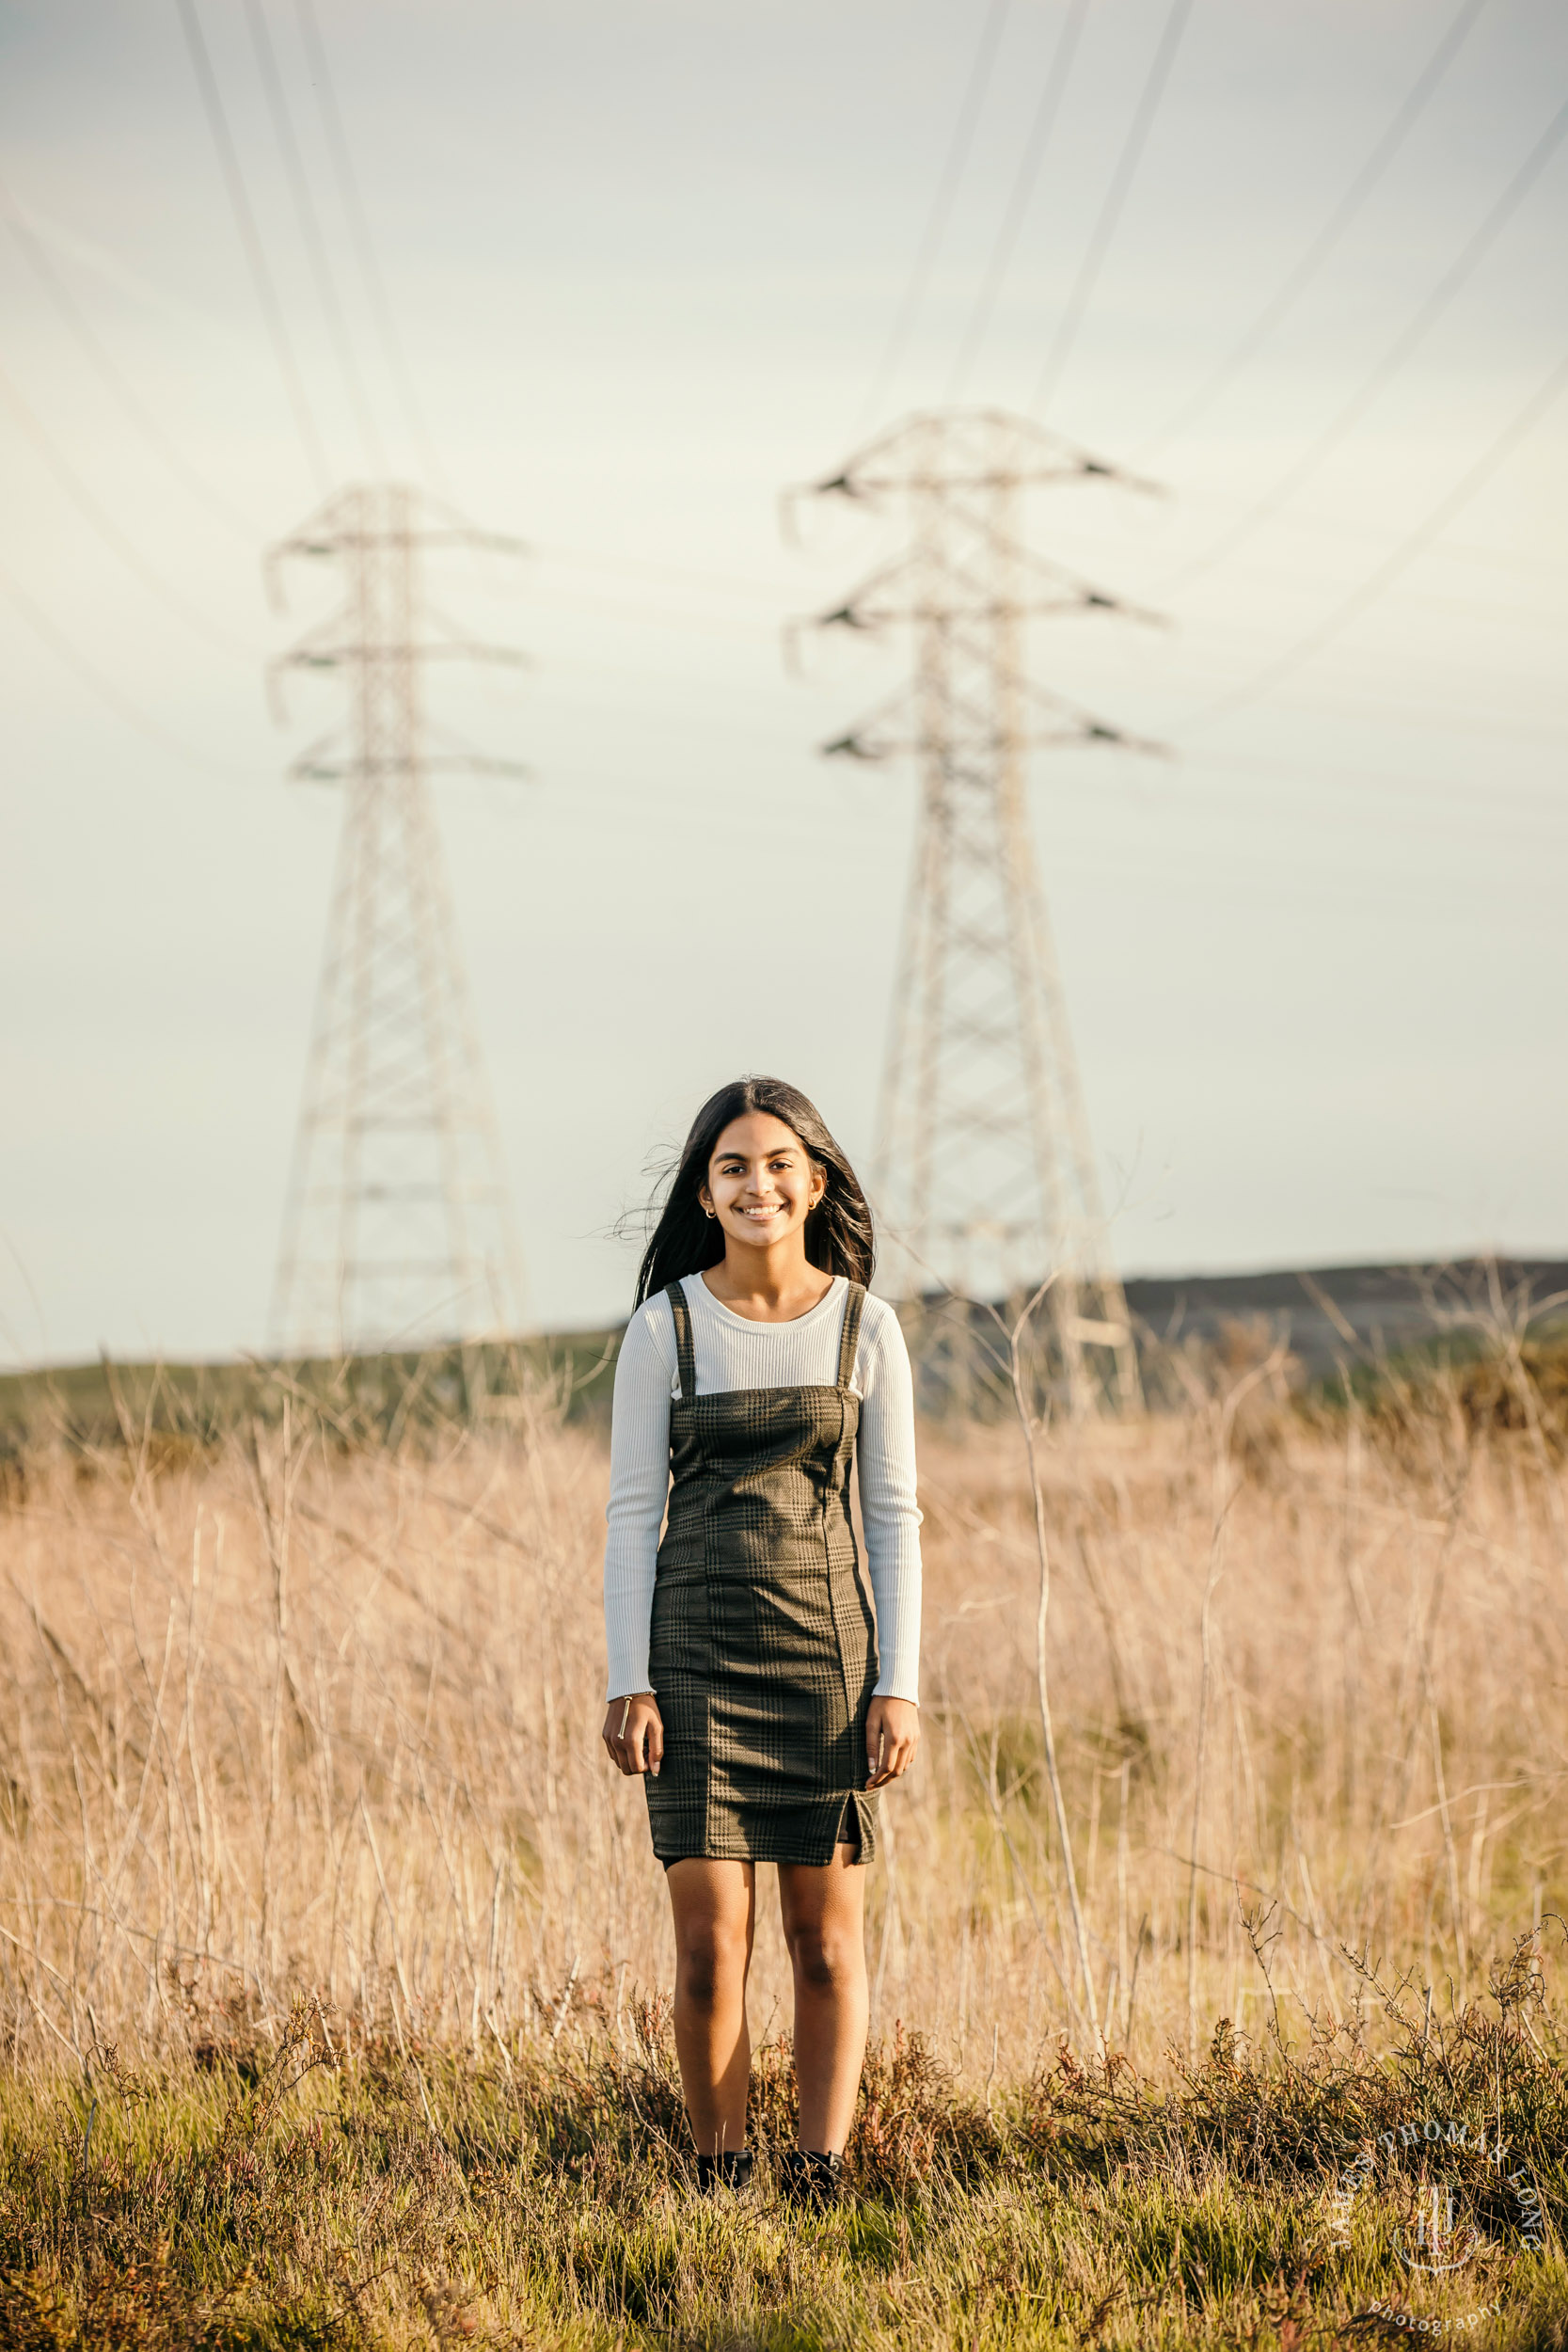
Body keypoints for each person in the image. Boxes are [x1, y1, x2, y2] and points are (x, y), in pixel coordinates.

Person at [601, 1075, 923, 2202]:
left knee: (825, 1944)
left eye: (778, 1162)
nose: (758, 1183)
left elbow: (893, 1517)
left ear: (815, 1180)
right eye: (733, 1165)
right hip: (690, 1661)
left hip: (829, 1668)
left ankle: (821, 2176)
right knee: (706, 1947)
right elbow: (628, 1515)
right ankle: (719, 2173)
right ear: (705, 1190)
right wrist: (627, 1679)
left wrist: (902, 1684)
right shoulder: (666, 1325)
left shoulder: (865, 1326)